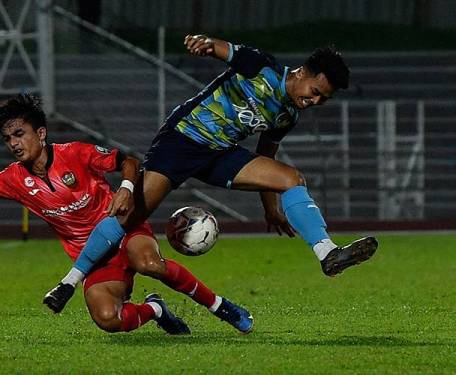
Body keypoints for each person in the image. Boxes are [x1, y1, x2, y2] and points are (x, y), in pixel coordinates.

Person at [46, 34, 379, 313]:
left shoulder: (287, 115)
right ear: (303, 72)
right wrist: (205, 44)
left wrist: (270, 207)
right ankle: (68, 283)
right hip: (182, 140)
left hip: (220, 154)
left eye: (323, 99)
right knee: (130, 216)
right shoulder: (263, 68)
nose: (315, 101)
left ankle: (327, 253)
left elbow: (266, 155)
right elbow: (227, 51)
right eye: (315, 91)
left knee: (291, 178)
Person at [0, 93, 253, 334]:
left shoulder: (74, 153)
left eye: (19, 134)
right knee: (107, 320)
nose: (14, 143)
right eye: (8, 138)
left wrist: (126, 188)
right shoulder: (12, 179)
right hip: (93, 259)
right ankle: (155, 310)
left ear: (42, 133)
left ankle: (220, 306)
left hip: (126, 231)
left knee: (148, 264)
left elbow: (128, 161)